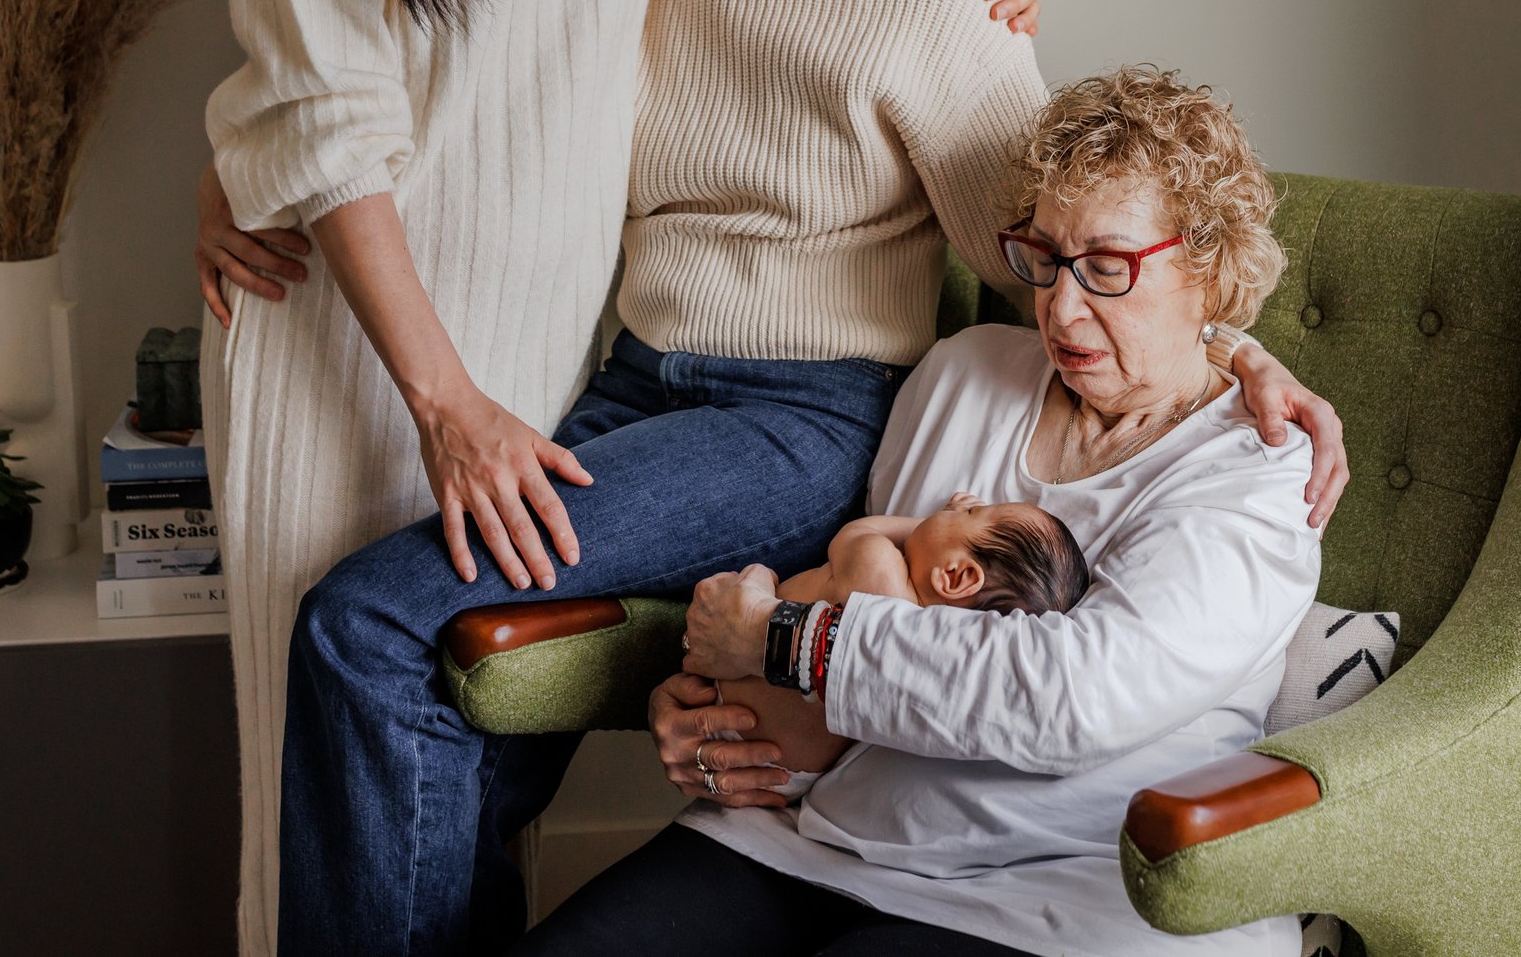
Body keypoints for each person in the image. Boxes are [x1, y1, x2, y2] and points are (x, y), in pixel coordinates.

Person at [255, 0, 1349, 954]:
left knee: (364, 622)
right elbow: (386, 59)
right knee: (458, 703)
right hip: (635, 386)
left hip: (804, 420)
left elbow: (1077, 242)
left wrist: (1238, 354)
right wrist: (232, 165)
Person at [192, 0, 1041, 957]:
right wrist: (248, 155)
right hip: (440, 352)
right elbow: (321, 100)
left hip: (722, 388)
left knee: (386, 642)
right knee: (430, 704)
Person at [540, 67, 1323, 957]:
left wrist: (778, 641)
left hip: (1073, 889)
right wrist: (725, 729)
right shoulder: (964, 375)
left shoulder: (1263, 468)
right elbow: (849, 603)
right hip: (812, 839)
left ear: (1209, 271)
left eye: (1107, 268)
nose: (1060, 308)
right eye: (1045, 257)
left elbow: (1073, 698)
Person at [713, 494, 1093, 798]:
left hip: (729, 700)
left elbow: (855, 533)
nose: (960, 505)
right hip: (791, 773)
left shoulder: (878, 567)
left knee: (754, 579)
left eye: (973, 512)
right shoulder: (924, 652)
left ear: (955, 575)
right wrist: (951, 533)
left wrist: (926, 525)